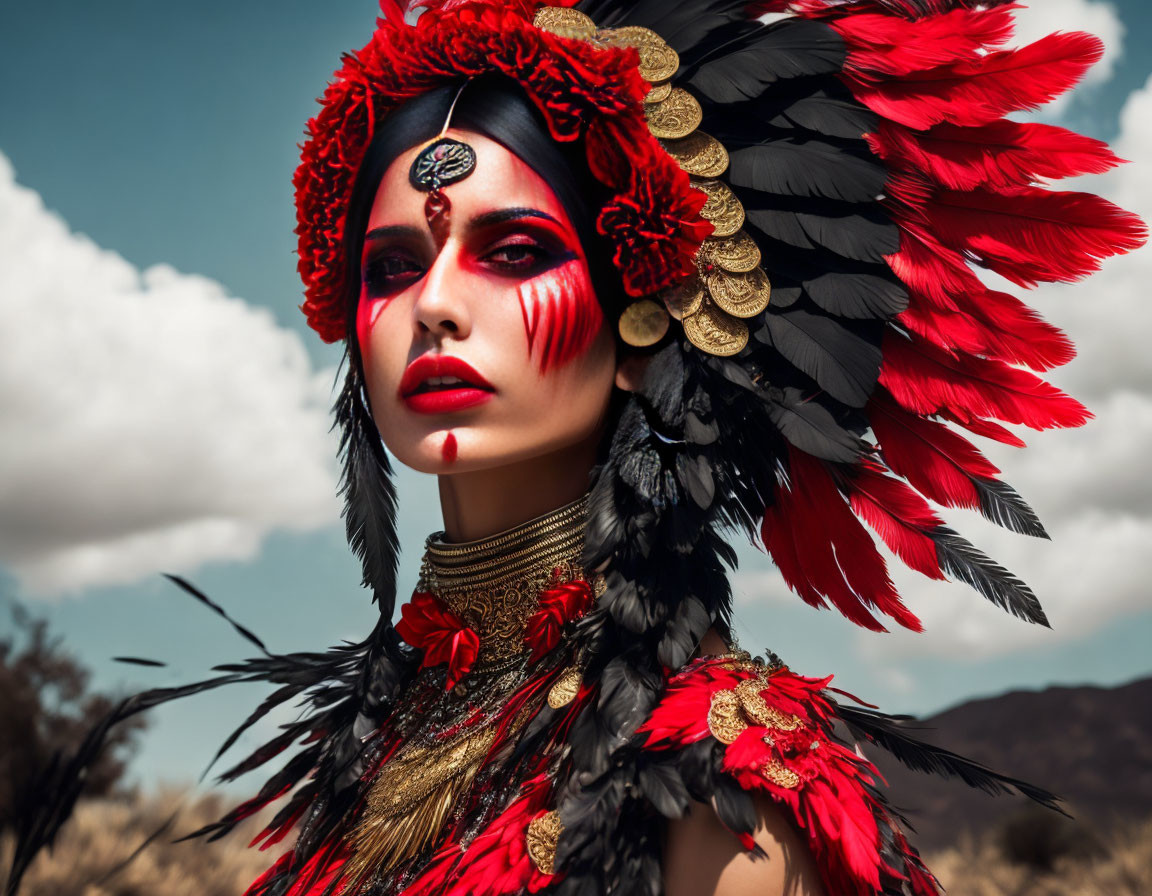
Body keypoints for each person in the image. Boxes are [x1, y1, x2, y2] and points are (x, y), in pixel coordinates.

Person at [6, 1, 1144, 895]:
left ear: (643, 328)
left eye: (512, 250)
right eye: (393, 266)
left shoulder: (715, 783)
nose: (434, 306)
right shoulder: (372, 746)